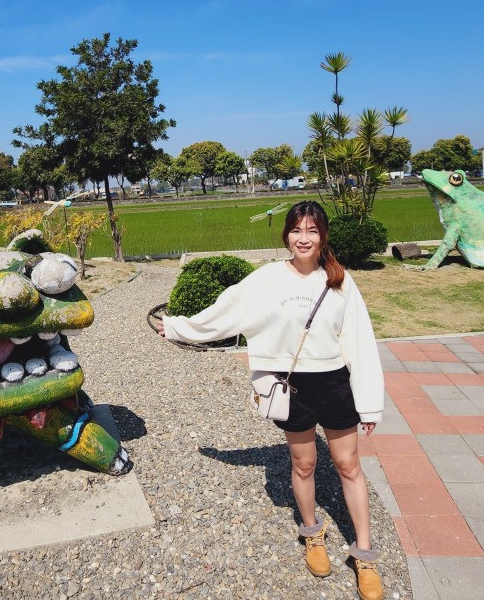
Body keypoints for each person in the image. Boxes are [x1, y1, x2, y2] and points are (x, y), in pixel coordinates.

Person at [159, 200, 384, 600]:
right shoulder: (265, 279)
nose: (304, 238)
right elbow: (224, 311)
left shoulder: (339, 281)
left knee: (348, 465)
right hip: (290, 384)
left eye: (312, 231)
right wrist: (180, 328)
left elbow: (360, 342)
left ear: (323, 236)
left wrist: (369, 402)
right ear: (286, 235)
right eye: (297, 230)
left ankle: (364, 554)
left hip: (334, 383)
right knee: (304, 462)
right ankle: (313, 533)